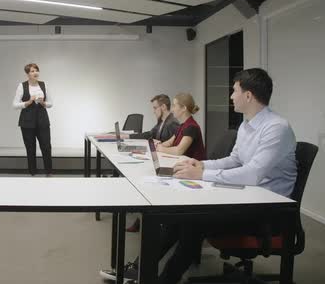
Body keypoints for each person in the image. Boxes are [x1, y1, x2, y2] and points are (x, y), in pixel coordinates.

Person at [121, 68, 297, 284]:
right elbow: (234, 160)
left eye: (234, 91)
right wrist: (199, 164)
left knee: (192, 222)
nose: (231, 96)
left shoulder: (276, 128)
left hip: (266, 209)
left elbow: (252, 174)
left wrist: (203, 174)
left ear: (248, 95)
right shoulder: (246, 125)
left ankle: (162, 280)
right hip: (247, 197)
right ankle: (139, 271)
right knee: (179, 217)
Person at [125, 94, 180, 232]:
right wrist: (129, 136)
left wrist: (159, 144)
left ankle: (148, 222)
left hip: (169, 163)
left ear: (163, 107)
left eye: (155, 108)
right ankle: (142, 221)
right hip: (159, 158)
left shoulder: (172, 123)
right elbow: (150, 134)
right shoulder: (162, 121)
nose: (153, 111)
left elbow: (173, 145)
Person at [12, 63, 53, 176]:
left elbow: (51, 103)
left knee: (46, 147)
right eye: (32, 71)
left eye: (36, 70)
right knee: (30, 148)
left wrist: (43, 103)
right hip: (27, 122)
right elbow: (15, 104)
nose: (35, 73)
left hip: (42, 120)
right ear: (27, 74)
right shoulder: (22, 86)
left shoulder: (44, 85)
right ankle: (32, 173)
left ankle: (49, 172)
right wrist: (28, 102)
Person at [155, 93, 206, 161]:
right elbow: (170, 142)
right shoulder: (182, 125)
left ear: (184, 108)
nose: (172, 110)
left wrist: (161, 149)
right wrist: (158, 145)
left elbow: (179, 150)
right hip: (184, 164)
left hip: (194, 167)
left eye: (174, 106)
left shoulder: (192, 127)